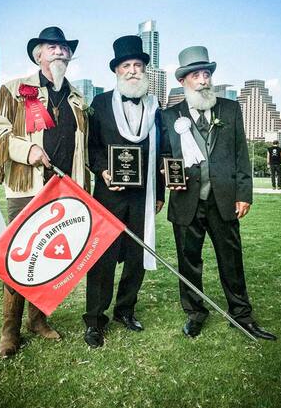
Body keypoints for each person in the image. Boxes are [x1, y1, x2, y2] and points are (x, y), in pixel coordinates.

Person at [160, 46, 276, 341]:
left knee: (231, 259)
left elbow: (240, 155)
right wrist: (165, 174)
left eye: (207, 74)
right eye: (196, 75)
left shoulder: (230, 108)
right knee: (189, 262)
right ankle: (195, 313)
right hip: (186, 200)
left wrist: (244, 194)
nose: (203, 80)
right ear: (184, 80)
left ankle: (241, 315)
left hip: (224, 199)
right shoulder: (169, 115)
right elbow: (163, 156)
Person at [0, 26, 89, 357]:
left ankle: (38, 319)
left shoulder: (78, 99)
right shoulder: (15, 89)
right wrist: (26, 150)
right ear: (38, 54)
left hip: (63, 192)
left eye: (64, 48)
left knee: (48, 258)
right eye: (52, 47)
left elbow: (83, 151)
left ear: (69, 56)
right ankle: (9, 330)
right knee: (19, 257)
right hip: (26, 188)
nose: (60, 51)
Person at [83, 35, 165, 348]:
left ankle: (125, 310)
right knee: (101, 258)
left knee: (136, 257)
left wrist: (159, 194)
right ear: (116, 71)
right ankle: (94, 320)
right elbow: (90, 146)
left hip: (143, 195)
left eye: (138, 65)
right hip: (110, 193)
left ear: (145, 70)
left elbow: (162, 151)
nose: (133, 71)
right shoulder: (100, 104)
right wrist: (102, 169)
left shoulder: (156, 106)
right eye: (126, 66)